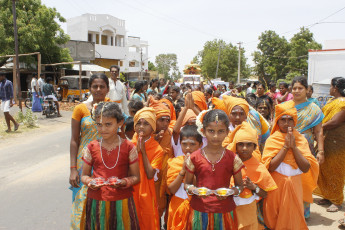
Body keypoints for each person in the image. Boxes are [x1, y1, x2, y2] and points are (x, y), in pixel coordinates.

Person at [79, 102, 140, 229]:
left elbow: (136, 177)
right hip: (97, 201)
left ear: (120, 123)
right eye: (99, 125)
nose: (103, 129)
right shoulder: (92, 147)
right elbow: (84, 175)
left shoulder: (129, 147)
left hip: (122, 202)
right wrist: (90, 182)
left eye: (108, 124)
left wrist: (124, 182)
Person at [183, 109, 244, 229]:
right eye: (211, 131)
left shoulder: (233, 158)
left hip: (224, 210)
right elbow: (187, 184)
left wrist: (232, 192)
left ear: (227, 132)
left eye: (220, 131)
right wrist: (194, 190)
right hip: (200, 210)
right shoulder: (194, 157)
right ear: (203, 131)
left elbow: (240, 186)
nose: (216, 136)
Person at [262, 103, 319, 230]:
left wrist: (294, 147)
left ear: (295, 121)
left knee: (294, 218)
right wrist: (285, 147)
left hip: (295, 184)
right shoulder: (272, 140)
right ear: (277, 121)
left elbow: (305, 167)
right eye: (283, 119)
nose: (286, 123)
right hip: (276, 185)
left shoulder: (300, 140)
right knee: (274, 216)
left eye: (290, 119)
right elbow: (270, 167)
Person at [69, 73, 110, 229]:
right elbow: (74, 140)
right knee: (82, 204)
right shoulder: (80, 109)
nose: (98, 89)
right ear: (90, 88)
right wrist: (73, 169)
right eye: (95, 86)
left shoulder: (113, 108)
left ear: (107, 89)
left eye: (102, 86)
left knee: (104, 204)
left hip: (107, 161)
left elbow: (124, 131)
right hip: (83, 163)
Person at [228, 122, 277, 230]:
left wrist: (254, 187)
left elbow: (265, 194)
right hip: (229, 210)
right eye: (241, 144)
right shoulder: (228, 163)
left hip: (248, 212)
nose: (244, 148)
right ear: (235, 145)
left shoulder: (259, 168)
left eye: (249, 144)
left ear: (255, 147)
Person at [314, 77, 345, 213]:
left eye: (331, 86)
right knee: (324, 169)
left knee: (335, 170)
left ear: (336, 88)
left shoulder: (343, 103)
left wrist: (318, 127)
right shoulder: (332, 101)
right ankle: (328, 195)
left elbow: (335, 122)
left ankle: (337, 201)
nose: (330, 89)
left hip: (337, 143)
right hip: (326, 140)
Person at [131, 107, 164, 230]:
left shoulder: (157, 149)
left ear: (153, 128)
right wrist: (135, 152)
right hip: (130, 191)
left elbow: (150, 174)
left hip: (147, 194)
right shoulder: (128, 145)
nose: (141, 127)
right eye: (138, 123)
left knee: (147, 222)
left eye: (146, 124)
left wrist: (143, 152)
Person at [166, 125, 203, 230]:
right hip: (177, 205)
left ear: (200, 145)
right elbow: (172, 189)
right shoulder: (175, 162)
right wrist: (183, 170)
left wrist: (191, 169)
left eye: (192, 144)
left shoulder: (204, 164)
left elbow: (199, 187)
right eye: (184, 144)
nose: (188, 148)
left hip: (196, 207)